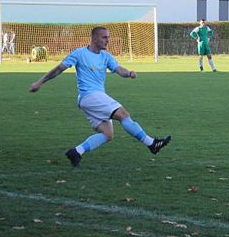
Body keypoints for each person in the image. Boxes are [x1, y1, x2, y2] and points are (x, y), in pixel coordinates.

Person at [29, 26, 171, 167]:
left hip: (92, 99)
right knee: (123, 114)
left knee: (107, 134)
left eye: (108, 37)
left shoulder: (106, 56)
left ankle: (77, 151)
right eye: (104, 37)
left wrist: (128, 73)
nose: (108, 40)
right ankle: (151, 143)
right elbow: (59, 69)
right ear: (94, 38)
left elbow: (119, 69)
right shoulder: (79, 53)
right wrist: (40, 82)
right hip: (89, 96)